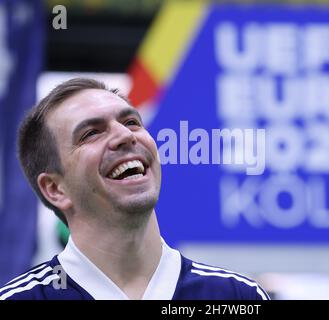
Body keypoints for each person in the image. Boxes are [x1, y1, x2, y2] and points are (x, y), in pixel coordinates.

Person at [0, 78, 270, 300]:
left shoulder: (238, 297)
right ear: (55, 189)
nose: (125, 136)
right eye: (91, 133)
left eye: (131, 122)